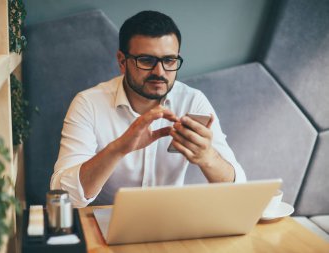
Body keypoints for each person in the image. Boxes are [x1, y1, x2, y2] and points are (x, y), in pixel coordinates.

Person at [51, 10, 246, 207]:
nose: (159, 72)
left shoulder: (193, 101)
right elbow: (63, 196)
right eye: (146, 60)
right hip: (105, 227)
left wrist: (208, 157)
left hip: (171, 225)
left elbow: (240, 193)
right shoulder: (88, 104)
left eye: (169, 60)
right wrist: (119, 148)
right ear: (122, 61)